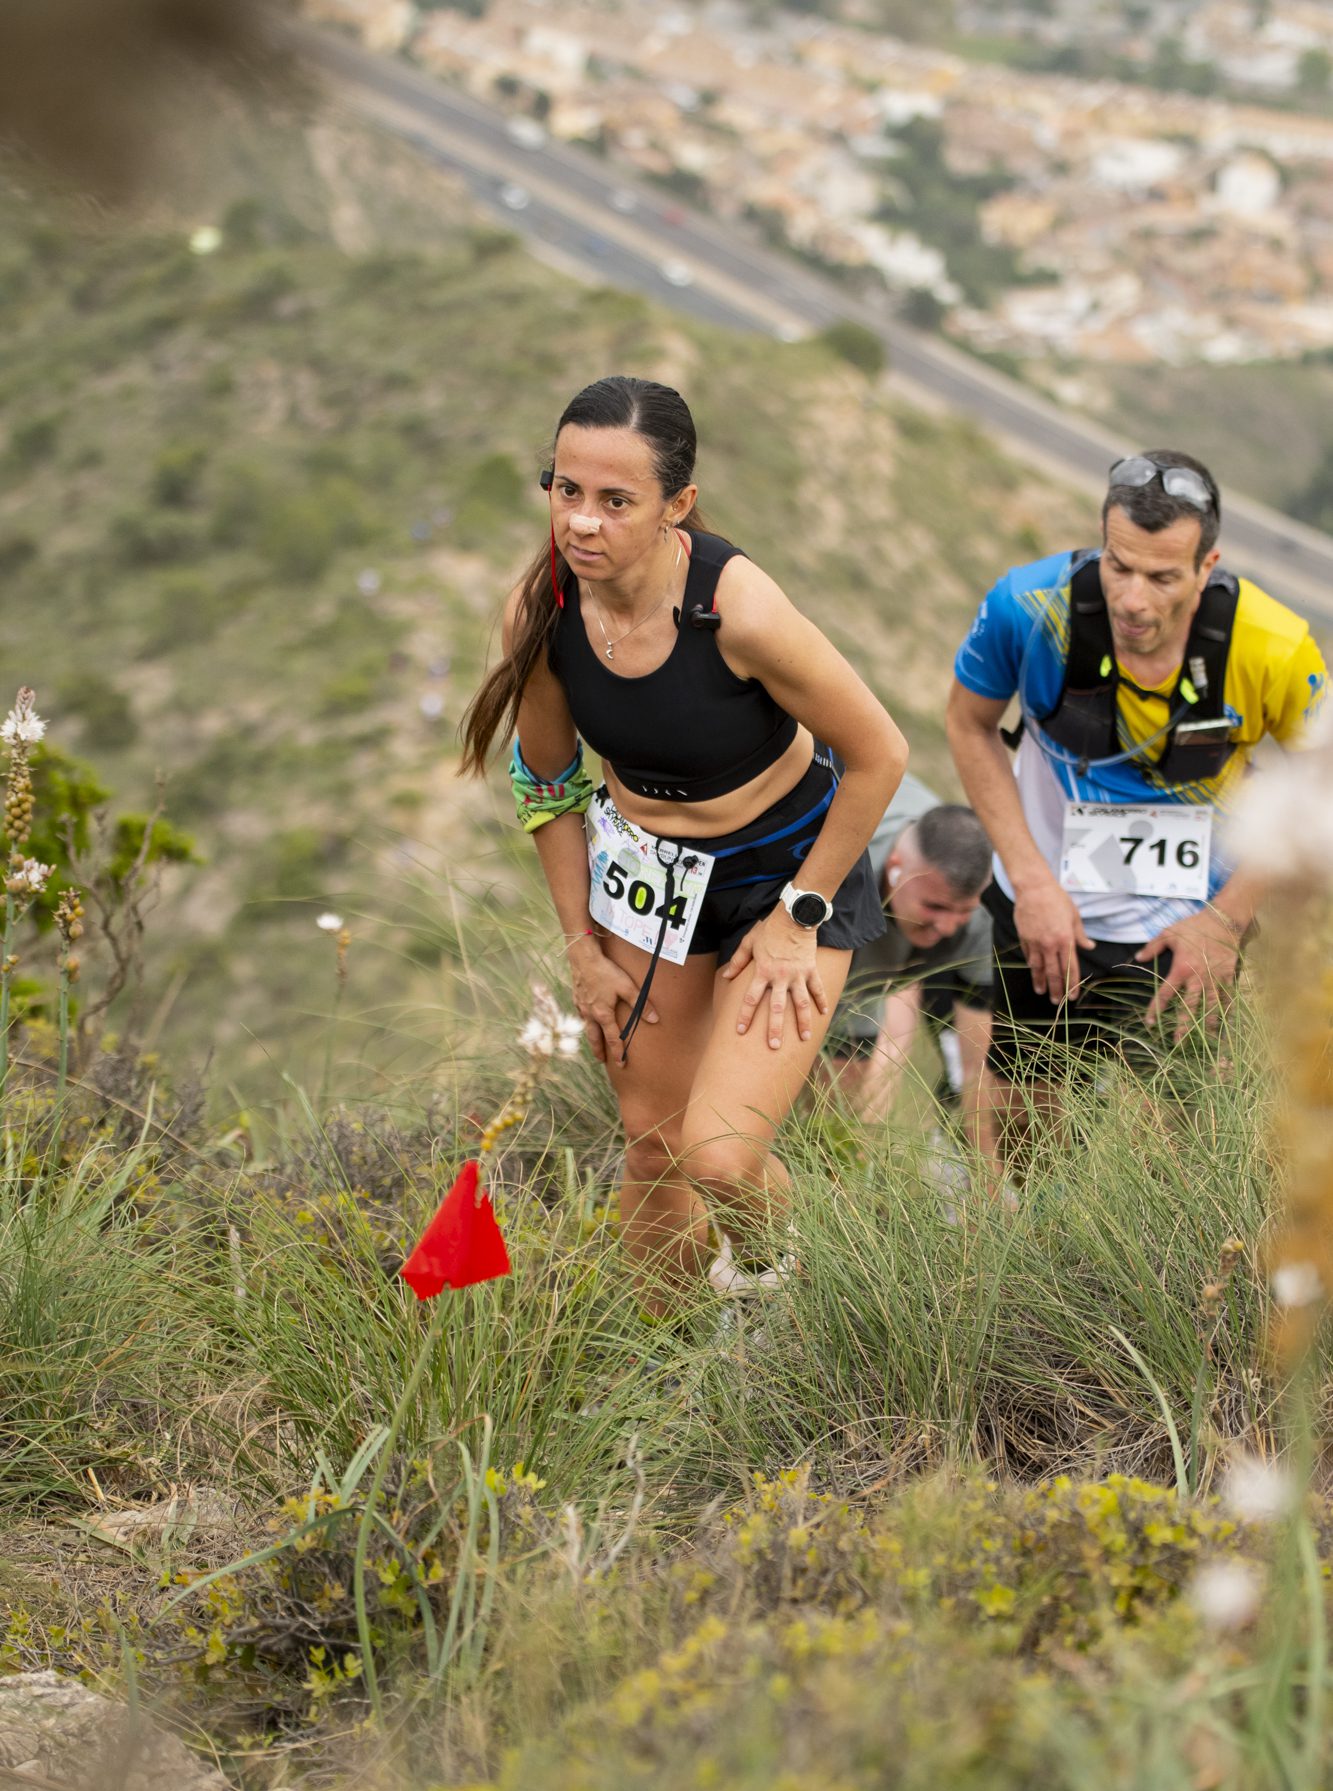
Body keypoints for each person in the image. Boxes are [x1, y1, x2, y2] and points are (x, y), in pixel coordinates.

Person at [460, 376, 907, 1316]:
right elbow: (548, 786)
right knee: (654, 1145)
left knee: (720, 1157)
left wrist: (799, 917)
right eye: (565, 490)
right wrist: (581, 948)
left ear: (677, 506)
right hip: (651, 881)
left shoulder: (738, 611)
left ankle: (779, 1303)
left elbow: (879, 754)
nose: (582, 521)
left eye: (616, 500)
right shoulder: (542, 612)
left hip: (786, 874)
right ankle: (659, 1356)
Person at [945, 447, 1328, 1153]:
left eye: (1162, 577)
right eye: (1117, 566)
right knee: (1025, 1116)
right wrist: (1031, 881)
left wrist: (1227, 919)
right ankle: (1048, 1223)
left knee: (1183, 1137)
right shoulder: (1027, 608)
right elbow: (968, 724)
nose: (1132, 599)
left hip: (1188, 921)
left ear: (1206, 567)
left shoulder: (1272, 645)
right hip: (1048, 908)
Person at [822, 773, 993, 1143]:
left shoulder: (979, 915)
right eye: (935, 906)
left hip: (882, 932)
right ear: (896, 866)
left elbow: (976, 1063)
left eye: (962, 910)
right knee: (831, 1083)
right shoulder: (844, 873)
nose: (947, 926)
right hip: (818, 904)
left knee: (840, 1112)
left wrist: (988, 1169)